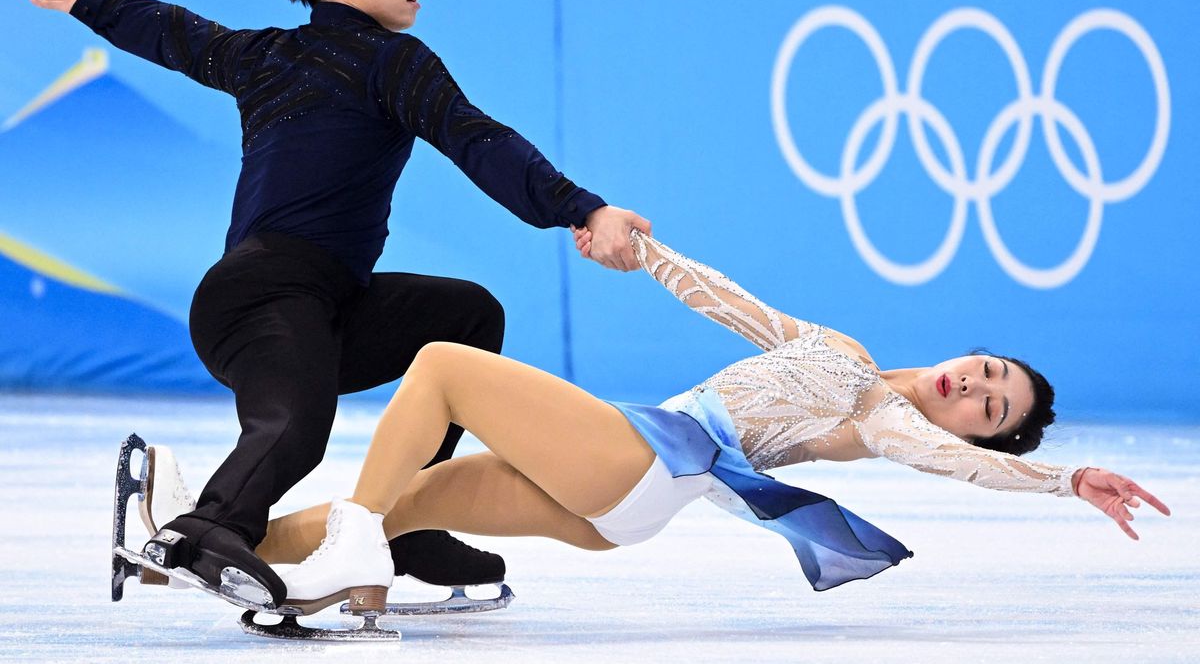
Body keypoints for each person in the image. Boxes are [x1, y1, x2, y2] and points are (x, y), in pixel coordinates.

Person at [16, 0, 649, 609]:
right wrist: (583, 208)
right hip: (262, 296)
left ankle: (411, 519)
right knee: (295, 426)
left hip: (327, 306)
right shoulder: (385, 61)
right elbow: (479, 140)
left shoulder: (268, 54)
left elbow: (176, 32)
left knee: (467, 317)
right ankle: (205, 529)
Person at [251, 229, 1170, 614]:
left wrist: (1064, 478)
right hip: (630, 492)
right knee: (414, 498)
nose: (973, 386)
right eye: (990, 370)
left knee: (445, 366)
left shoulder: (880, 416)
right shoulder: (845, 350)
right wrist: (644, 249)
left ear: (970, 430)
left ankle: (355, 555)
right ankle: (219, 544)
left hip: (644, 463)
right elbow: (734, 305)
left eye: (988, 409)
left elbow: (954, 464)